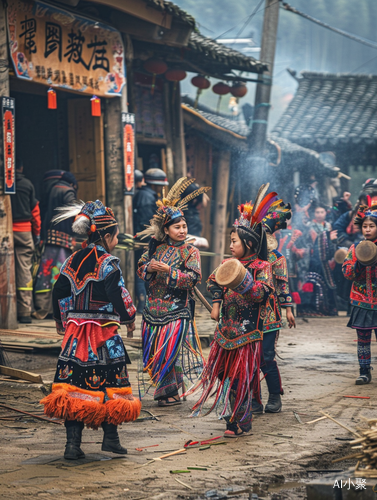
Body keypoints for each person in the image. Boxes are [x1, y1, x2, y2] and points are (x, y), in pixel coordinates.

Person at [40, 200, 141, 459]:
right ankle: (111, 438)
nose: (116, 241)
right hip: (103, 333)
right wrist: (129, 316)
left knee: (72, 385)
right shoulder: (108, 262)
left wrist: (63, 322)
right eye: (116, 237)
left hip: (75, 335)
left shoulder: (72, 260)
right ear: (106, 236)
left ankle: (72, 445)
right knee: (110, 383)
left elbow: (59, 291)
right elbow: (114, 293)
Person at [189, 185, 275, 437]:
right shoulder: (228, 263)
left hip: (248, 334)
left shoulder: (262, 266)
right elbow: (213, 280)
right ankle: (230, 420)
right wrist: (216, 303)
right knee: (224, 376)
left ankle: (241, 421)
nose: (230, 244)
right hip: (224, 333)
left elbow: (262, 293)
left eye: (234, 241)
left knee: (241, 378)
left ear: (248, 242)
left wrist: (242, 280)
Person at [137, 177, 210, 406]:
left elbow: (194, 279)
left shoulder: (191, 252)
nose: (182, 230)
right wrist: (148, 268)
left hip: (177, 310)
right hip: (151, 311)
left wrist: (170, 271)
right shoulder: (155, 248)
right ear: (166, 229)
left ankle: (168, 392)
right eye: (177, 227)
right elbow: (140, 268)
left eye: (184, 226)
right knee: (152, 355)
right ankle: (167, 389)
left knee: (169, 352)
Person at [252, 199, 296, 415]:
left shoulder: (276, 258)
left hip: (269, 316)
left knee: (266, 356)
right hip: (246, 317)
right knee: (249, 357)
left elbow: (282, 284)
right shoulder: (242, 258)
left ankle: (274, 395)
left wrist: (288, 310)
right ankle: (253, 399)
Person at [33, 171, 78, 319]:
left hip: (50, 236)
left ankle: (42, 308)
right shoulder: (68, 191)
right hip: (63, 238)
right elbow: (74, 211)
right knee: (61, 273)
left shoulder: (52, 189)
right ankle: (59, 310)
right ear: (72, 184)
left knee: (45, 272)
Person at [343, 205, 377, 385]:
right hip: (361, 301)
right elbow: (347, 272)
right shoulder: (355, 247)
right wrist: (360, 263)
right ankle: (364, 371)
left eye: (372, 226)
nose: (368, 229)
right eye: (365, 226)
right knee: (363, 339)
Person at [133, 168, 169, 314]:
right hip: (145, 241)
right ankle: (142, 304)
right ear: (155, 184)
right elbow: (147, 223)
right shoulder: (147, 198)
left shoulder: (146, 195)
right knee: (144, 269)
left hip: (144, 239)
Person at [10, 160, 41, 323]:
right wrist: (36, 234)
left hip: (4, 231)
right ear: (21, 168)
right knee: (24, 270)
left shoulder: (3, 186)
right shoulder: (27, 185)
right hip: (24, 231)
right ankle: (24, 311)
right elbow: (35, 212)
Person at [299, 204, 338, 316]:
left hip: (326, 259)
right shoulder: (310, 226)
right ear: (314, 214)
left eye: (322, 212)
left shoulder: (329, 225)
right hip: (314, 259)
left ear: (326, 213)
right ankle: (315, 308)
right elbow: (308, 242)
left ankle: (328, 307)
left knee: (327, 283)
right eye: (317, 212)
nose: (320, 214)